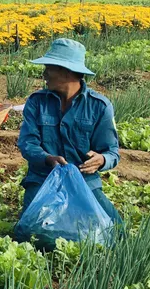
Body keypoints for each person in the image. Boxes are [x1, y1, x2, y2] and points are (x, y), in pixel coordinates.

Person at [17, 38, 122, 222]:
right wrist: (48, 159)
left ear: (65, 71)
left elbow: (112, 152)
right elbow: (28, 143)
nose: (44, 75)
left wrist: (101, 160)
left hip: (84, 182)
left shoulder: (100, 106)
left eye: (48, 68)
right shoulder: (37, 102)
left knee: (115, 229)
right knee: (31, 229)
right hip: (44, 179)